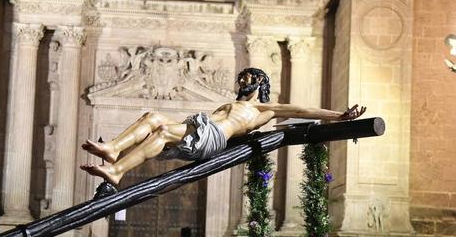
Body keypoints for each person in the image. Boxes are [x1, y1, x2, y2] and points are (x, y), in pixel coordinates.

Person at [80, 67, 366, 185]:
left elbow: (303, 110)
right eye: (241, 78)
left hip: (214, 137)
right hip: (201, 128)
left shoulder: (263, 109)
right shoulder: (230, 104)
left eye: (249, 78)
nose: (243, 81)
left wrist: (339, 115)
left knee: (164, 131)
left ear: (261, 83)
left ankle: (117, 171)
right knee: (152, 118)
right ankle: (113, 150)